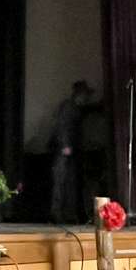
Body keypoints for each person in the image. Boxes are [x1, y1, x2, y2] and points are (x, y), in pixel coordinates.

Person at [50, 79, 94, 224]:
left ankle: (68, 215)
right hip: (64, 152)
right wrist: (65, 145)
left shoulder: (76, 108)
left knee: (70, 184)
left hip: (72, 152)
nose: (86, 98)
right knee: (61, 183)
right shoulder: (68, 106)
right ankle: (57, 215)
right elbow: (61, 125)